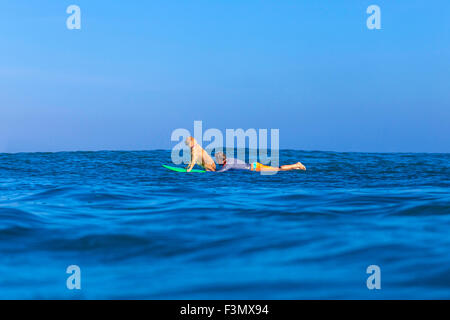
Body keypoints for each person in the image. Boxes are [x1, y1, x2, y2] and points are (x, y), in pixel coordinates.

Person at [215, 152, 306, 172]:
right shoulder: (229, 160)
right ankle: (297, 167)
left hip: (255, 167)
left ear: (221, 159)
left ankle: (296, 165)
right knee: (277, 169)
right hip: (254, 166)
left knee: (278, 169)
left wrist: (210, 172)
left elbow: (222, 171)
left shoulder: (229, 164)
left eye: (217, 159)